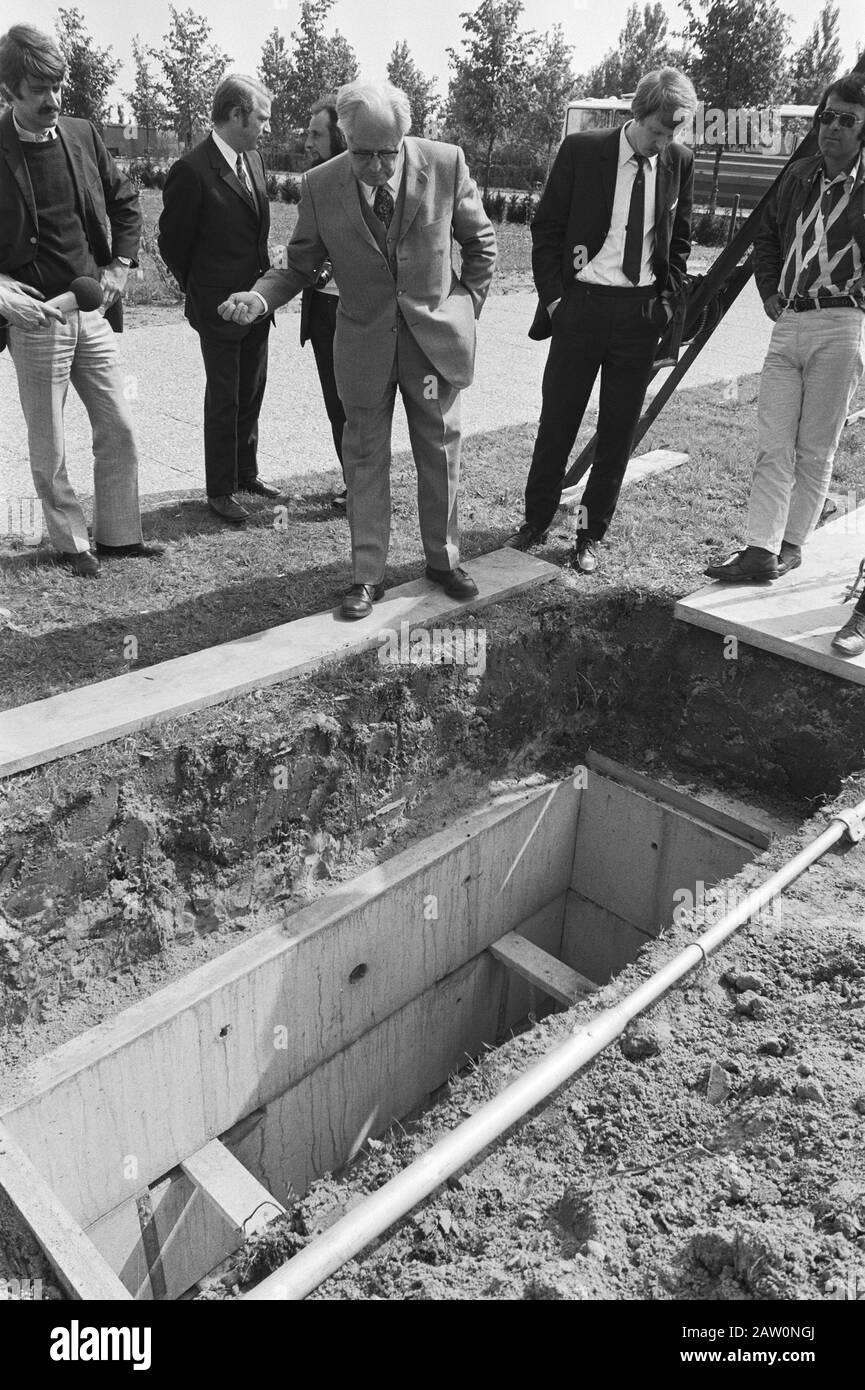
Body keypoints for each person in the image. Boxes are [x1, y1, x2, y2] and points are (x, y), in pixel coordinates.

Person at [218, 79, 497, 619]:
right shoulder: (321, 185)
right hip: (364, 346)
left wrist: (464, 310)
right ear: (343, 137)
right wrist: (259, 299)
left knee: (439, 453)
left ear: (405, 138)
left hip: (433, 345)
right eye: (361, 153)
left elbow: (480, 244)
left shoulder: (446, 164)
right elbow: (299, 265)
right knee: (364, 461)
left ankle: (443, 561)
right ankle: (367, 577)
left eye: (386, 154)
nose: (374, 167)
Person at [505, 67, 697, 573]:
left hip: (638, 316)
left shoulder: (679, 161)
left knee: (617, 432)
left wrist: (666, 299)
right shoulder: (583, 151)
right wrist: (554, 302)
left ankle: (590, 535)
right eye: (658, 130)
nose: (664, 141)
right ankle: (536, 520)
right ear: (639, 114)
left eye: (673, 132)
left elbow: (679, 242)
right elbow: (546, 229)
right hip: (580, 308)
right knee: (559, 420)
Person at [0, 23, 161, 578]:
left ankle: (119, 536)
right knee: (51, 445)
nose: (53, 100)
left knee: (118, 425)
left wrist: (120, 264)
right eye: (39, 90)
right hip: (34, 320)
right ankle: (72, 544)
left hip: (92, 310)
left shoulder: (83, 133)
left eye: (59, 86)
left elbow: (124, 200)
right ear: (9, 92)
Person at [706, 73, 865, 606]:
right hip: (790, 321)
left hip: (841, 325)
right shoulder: (799, 175)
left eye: (847, 120)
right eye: (827, 116)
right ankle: (760, 549)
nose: (832, 128)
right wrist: (770, 291)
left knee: (815, 447)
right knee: (773, 443)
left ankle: (792, 543)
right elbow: (767, 238)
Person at [158, 75, 282, 525]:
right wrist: (202, 290)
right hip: (218, 309)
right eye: (261, 118)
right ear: (236, 115)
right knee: (225, 397)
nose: (266, 127)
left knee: (251, 391)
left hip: (256, 302)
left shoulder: (254, 159)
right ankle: (220, 490)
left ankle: (246, 473)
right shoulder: (192, 169)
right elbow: (171, 243)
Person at [301, 98, 348, 509]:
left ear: (340, 136)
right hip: (322, 312)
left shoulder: (367, 177)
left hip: (360, 313)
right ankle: (354, 482)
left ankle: (367, 481)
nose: (308, 141)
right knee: (335, 402)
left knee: (361, 404)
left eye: (316, 134)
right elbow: (304, 251)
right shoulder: (314, 183)